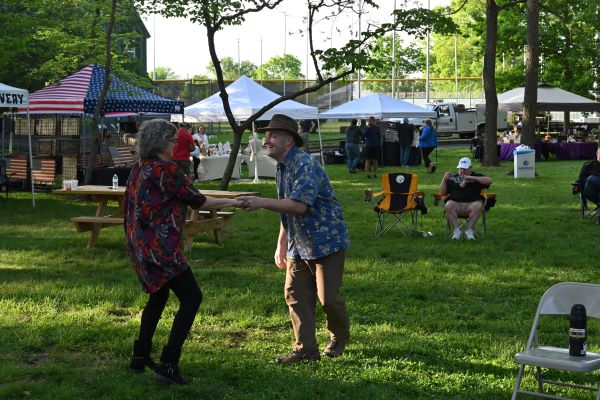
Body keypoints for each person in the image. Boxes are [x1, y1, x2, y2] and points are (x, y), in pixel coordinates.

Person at [124, 119, 242, 385]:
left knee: (159, 295)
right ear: (161, 142)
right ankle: (168, 363)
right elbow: (199, 201)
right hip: (161, 247)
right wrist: (235, 201)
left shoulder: (139, 167)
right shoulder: (167, 169)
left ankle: (139, 356)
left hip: (138, 244)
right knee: (192, 297)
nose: (176, 144)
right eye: (173, 140)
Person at [238, 114, 350, 364]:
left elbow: (298, 205)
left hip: (326, 240)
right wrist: (281, 244)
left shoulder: (304, 164)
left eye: (272, 135)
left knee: (328, 298)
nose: (266, 140)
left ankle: (339, 337)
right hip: (298, 243)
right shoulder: (282, 167)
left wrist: (260, 202)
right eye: (267, 135)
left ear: (288, 140)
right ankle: (306, 349)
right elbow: (286, 208)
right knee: (295, 294)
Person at [439, 157, 493, 240]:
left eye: (465, 168)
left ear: (470, 168)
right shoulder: (453, 178)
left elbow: (489, 181)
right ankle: (456, 231)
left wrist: (470, 178)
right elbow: (442, 193)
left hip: (471, 205)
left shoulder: (477, 177)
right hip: (456, 205)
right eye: (461, 168)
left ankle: (469, 230)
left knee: (478, 206)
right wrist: (444, 179)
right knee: (448, 205)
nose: (462, 170)